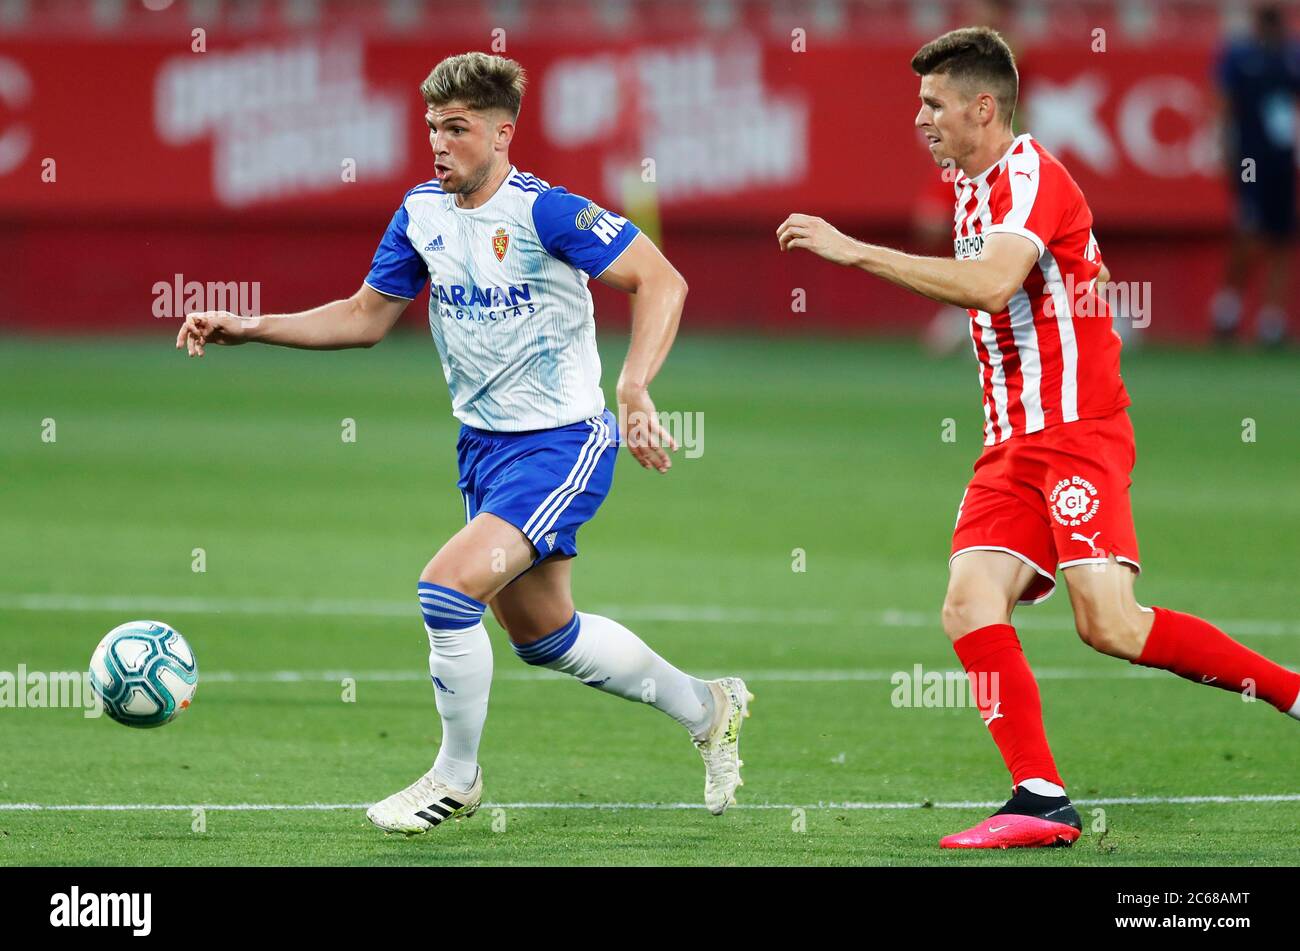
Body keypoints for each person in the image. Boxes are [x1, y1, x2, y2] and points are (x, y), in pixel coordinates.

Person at [176, 52, 752, 835]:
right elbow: (366, 316)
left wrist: (633, 387)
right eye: (432, 130)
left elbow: (664, 281)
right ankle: (707, 705)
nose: (439, 144)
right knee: (546, 635)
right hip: (484, 449)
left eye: (457, 129)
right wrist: (254, 326)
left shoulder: (547, 213)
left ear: (502, 134)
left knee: (446, 590)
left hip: (562, 443)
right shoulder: (422, 212)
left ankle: (456, 777)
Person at [777, 27, 1299, 849]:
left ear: (983, 107)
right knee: (968, 603)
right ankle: (1040, 798)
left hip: (1077, 432)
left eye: (933, 104)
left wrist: (853, 251)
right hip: (1010, 444)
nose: (921, 119)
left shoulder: (1029, 178)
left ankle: (1292, 692)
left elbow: (989, 287)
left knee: (1111, 626)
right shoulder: (970, 184)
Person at [1210, 3, 1300, 348]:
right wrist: (1222, 145)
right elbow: (1222, 100)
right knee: (1248, 231)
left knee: (1281, 236)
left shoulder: (1290, 56)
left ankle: (1271, 322)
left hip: (1281, 160)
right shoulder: (1240, 57)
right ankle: (1227, 310)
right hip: (1250, 161)